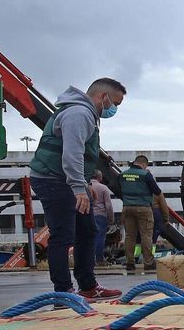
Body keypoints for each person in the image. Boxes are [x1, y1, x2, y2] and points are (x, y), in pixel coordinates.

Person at [27, 78, 124, 299]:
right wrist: (79, 188)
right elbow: (72, 153)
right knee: (63, 234)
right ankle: (63, 290)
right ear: (102, 96)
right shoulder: (78, 114)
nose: (113, 109)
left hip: (67, 180)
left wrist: (84, 183)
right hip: (52, 179)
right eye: (114, 103)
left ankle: (88, 286)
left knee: (87, 229)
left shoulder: (86, 115)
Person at [120, 154, 164, 273]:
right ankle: (148, 263)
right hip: (143, 207)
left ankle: (130, 262)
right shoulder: (145, 174)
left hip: (127, 207)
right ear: (144, 164)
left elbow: (119, 190)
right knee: (146, 235)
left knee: (129, 236)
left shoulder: (123, 175)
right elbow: (157, 191)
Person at [87, 171, 114, 265]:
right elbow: (108, 205)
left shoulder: (86, 186)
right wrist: (111, 218)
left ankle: (88, 259)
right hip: (100, 216)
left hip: (87, 214)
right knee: (100, 237)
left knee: (87, 238)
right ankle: (99, 259)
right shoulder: (103, 188)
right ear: (100, 177)